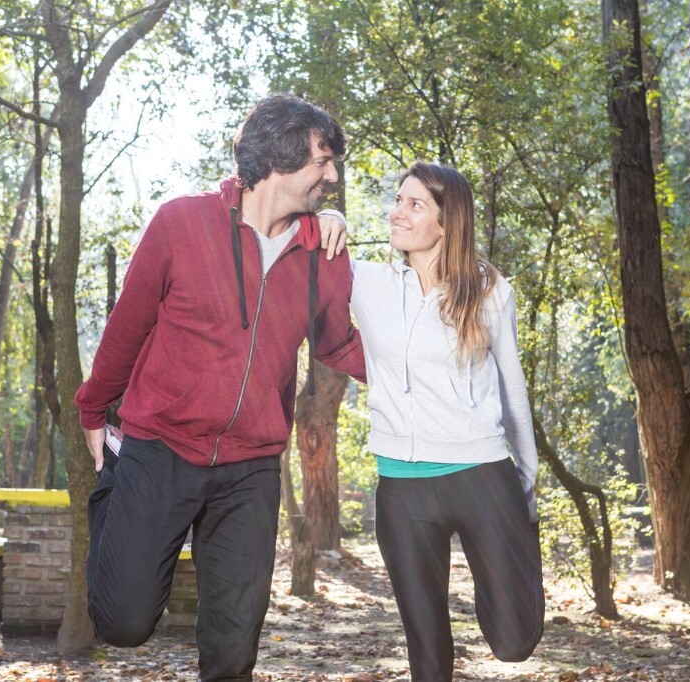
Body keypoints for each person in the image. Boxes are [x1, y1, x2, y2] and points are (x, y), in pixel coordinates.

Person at [75, 94, 365, 682]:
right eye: (323, 162)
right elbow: (129, 325)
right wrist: (92, 410)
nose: (333, 177)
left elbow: (339, 345)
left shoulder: (323, 256)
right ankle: (117, 489)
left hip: (251, 465)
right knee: (122, 622)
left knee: (234, 650)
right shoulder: (182, 223)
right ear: (279, 162)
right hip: (160, 446)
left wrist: (426, 366)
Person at [348, 161, 544, 681]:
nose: (397, 213)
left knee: (514, 641)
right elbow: (302, 250)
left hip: (480, 475)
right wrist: (325, 212)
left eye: (415, 204)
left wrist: (525, 482)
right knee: (427, 656)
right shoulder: (364, 282)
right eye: (397, 200)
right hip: (401, 488)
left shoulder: (487, 289)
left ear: (446, 220)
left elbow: (511, 384)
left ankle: (522, 549)